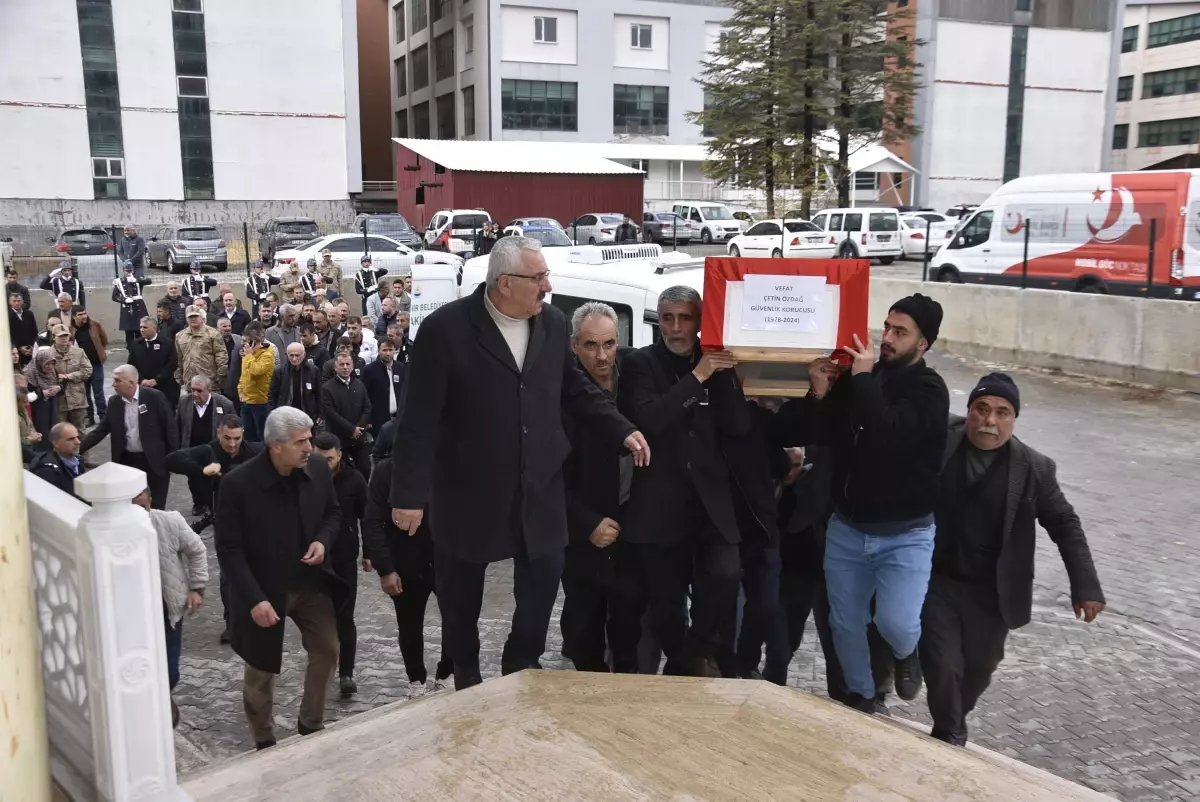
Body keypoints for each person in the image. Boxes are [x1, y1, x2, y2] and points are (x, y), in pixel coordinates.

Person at [388, 236, 649, 690]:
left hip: (540, 485)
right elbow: (418, 418)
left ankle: (521, 659)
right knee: (461, 594)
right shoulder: (445, 330)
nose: (548, 286)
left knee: (544, 580)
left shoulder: (549, 322)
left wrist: (620, 428)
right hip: (469, 489)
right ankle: (466, 671)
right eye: (539, 277)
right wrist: (408, 495)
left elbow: (574, 388)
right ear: (505, 283)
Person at [775, 293, 950, 714]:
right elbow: (816, 432)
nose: (886, 338)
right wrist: (818, 393)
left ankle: (906, 652)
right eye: (886, 327)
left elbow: (888, 431)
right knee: (844, 624)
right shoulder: (861, 379)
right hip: (848, 529)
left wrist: (864, 376)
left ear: (923, 344)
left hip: (906, 534)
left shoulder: (930, 389)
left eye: (899, 332)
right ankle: (863, 697)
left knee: (896, 622)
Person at [920, 373, 1105, 746]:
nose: (990, 420)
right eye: (982, 409)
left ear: (1014, 419)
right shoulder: (940, 438)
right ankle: (950, 733)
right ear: (969, 410)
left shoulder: (1034, 468)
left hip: (992, 592)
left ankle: (952, 721)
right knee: (943, 664)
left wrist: (1085, 586)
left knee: (979, 669)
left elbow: (1065, 525)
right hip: (935, 581)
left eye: (1002, 412)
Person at [618, 286, 762, 678]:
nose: (676, 328)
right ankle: (689, 663)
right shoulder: (639, 364)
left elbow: (738, 425)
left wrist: (725, 375)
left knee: (727, 575)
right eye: (667, 318)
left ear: (700, 322)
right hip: (659, 508)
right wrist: (698, 377)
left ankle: (691, 660)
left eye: (685, 318)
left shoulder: (718, 365)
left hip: (710, 506)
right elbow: (650, 419)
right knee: (664, 608)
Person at [215, 407, 343, 750]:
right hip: (263, 591)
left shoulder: (316, 466)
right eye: (300, 442)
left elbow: (332, 513)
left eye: (309, 439)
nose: (308, 447)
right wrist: (255, 599)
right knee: (261, 669)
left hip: (310, 583)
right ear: (275, 445)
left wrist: (322, 540)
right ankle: (264, 739)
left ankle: (311, 723)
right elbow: (229, 551)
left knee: (328, 649)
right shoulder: (237, 485)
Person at [559, 302, 643, 674]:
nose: (603, 355)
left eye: (609, 343)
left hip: (634, 523)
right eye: (591, 345)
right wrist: (586, 523)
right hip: (583, 530)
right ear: (575, 345)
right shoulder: (561, 394)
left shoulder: (638, 374)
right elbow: (546, 475)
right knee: (583, 628)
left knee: (630, 624)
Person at [363, 451, 454, 697]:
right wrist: (386, 569)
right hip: (406, 562)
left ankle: (447, 672)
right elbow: (372, 521)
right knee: (410, 625)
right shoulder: (386, 471)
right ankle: (416, 679)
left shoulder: (451, 461)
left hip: (447, 559)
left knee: (456, 620)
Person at [165, 414, 263, 642]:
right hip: (226, 523)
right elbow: (172, 459)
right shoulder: (208, 451)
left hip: (256, 521)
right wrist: (201, 470)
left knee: (258, 569)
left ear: (243, 435)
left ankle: (255, 615)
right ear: (218, 433)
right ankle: (232, 623)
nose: (231, 444)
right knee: (229, 574)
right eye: (227, 438)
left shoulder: (255, 451)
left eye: (236, 438)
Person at [134, 486, 207, 727]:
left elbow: (197, 550)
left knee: (170, 671)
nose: (138, 513)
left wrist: (197, 588)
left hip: (167, 610)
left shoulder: (169, 521)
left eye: (142, 507)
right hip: (133, 614)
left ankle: (163, 699)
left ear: (151, 501)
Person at [311, 433, 368, 696]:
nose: (325, 464)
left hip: (344, 557)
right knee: (317, 618)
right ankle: (322, 669)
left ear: (340, 455)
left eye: (330, 459)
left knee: (345, 616)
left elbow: (367, 517)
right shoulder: (304, 477)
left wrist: (369, 553)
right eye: (320, 459)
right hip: (314, 560)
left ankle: (346, 673)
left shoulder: (354, 480)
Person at [80, 364, 178, 509]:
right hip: (127, 462)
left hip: (154, 462)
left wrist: (173, 459)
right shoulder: (114, 402)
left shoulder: (154, 398)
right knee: (129, 505)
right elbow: (100, 431)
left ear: (131, 383)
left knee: (156, 506)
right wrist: (77, 448)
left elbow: (170, 429)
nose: (113, 384)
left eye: (117, 381)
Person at [177, 376, 235, 514]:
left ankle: (215, 505)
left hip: (214, 450)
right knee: (194, 477)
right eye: (192, 390)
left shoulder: (224, 404)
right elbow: (178, 425)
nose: (195, 394)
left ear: (209, 390)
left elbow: (234, 426)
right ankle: (198, 503)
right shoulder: (184, 402)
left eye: (199, 390)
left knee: (216, 478)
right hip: (192, 448)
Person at [321, 353, 372, 481]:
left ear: (352, 366)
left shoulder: (359, 384)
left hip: (359, 437)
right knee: (340, 474)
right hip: (339, 438)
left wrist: (358, 428)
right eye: (341, 364)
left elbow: (367, 407)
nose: (345, 367)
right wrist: (351, 429)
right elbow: (331, 413)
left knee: (364, 469)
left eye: (348, 364)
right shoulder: (327, 388)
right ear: (335, 367)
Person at [175, 305, 228, 396]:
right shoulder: (180, 336)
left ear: (201, 317)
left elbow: (221, 355)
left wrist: (220, 375)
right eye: (190, 317)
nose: (193, 319)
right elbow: (178, 358)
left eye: (195, 316)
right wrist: (178, 376)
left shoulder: (213, 333)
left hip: (209, 382)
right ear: (186, 319)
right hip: (189, 383)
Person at [129, 316, 181, 407]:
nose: (142, 330)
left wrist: (157, 380)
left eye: (145, 327)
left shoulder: (167, 343)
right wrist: (142, 380)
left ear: (154, 328)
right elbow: (131, 365)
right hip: (143, 387)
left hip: (165, 387)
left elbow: (172, 363)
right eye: (140, 327)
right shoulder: (136, 344)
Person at [237, 321, 276, 442]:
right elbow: (244, 375)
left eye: (245, 341)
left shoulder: (267, 355)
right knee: (246, 434)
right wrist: (240, 390)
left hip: (260, 402)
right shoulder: (247, 355)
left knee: (260, 435)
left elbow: (256, 371)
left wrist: (249, 356)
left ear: (253, 342)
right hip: (246, 400)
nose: (242, 344)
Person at [69, 306, 108, 427]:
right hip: (81, 367)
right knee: (85, 394)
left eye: (84, 313)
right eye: (80, 315)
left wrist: (101, 352)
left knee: (99, 393)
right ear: (74, 316)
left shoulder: (95, 325)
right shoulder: (71, 329)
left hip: (96, 365)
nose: (83, 316)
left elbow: (104, 339)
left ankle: (103, 418)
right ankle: (89, 417)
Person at [49, 326, 92, 431]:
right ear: (54, 337)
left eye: (66, 336)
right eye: (61, 336)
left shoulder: (78, 352)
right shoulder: (48, 354)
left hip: (77, 398)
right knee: (60, 431)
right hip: (59, 400)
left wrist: (68, 376)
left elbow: (87, 370)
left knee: (80, 431)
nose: (64, 339)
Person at [27, 422, 86, 496]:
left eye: (77, 437)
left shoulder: (78, 460)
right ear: (56, 443)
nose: (78, 442)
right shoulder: (47, 469)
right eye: (71, 439)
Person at [361, 338, 404, 436]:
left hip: (398, 418)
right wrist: (368, 419)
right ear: (378, 351)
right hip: (378, 419)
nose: (388, 353)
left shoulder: (400, 368)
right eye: (384, 350)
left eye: (390, 350)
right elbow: (364, 396)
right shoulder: (370, 370)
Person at [270, 341, 323, 421]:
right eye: (291, 355)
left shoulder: (313, 371)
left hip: (307, 415)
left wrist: (320, 413)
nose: (294, 359)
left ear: (304, 355)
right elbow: (272, 395)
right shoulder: (279, 371)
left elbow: (319, 394)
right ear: (286, 356)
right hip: (285, 415)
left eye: (297, 355)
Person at [24, 347, 61, 442]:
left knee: (53, 431)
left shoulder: (53, 372)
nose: (50, 366)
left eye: (52, 363)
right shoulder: (30, 374)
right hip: (37, 409)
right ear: (40, 362)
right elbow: (26, 395)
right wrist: (41, 393)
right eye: (47, 364)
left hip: (52, 406)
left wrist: (58, 388)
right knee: (42, 434)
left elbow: (62, 384)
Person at [112, 261, 151, 348]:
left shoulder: (138, 279)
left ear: (133, 270)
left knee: (140, 330)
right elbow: (114, 297)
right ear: (123, 271)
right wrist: (124, 300)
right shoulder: (119, 282)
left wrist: (136, 280)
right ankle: (131, 350)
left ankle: (142, 348)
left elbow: (149, 281)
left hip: (139, 308)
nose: (129, 272)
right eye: (127, 271)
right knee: (129, 332)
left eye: (130, 270)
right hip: (127, 309)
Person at [217, 317, 244, 401]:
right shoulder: (213, 340)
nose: (228, 328)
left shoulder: (239, 339)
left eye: (229, 326)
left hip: (235, 379)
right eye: (224, 326)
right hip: (219, 380)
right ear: (217, 328)